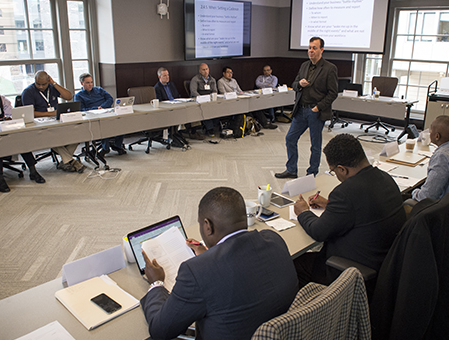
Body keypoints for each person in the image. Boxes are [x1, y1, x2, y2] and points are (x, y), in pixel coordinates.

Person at [140, 187, 299, 340]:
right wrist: (209, 253)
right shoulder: (273, 239)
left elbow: (161, 330)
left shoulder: (196, 271)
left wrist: (157, 283)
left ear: (207, 226)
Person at [292, 134, 405, 287]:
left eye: (333, 171)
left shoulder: (345, 193)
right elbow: (364, 207)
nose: (336, 175)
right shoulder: (385, 178)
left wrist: (303, 211)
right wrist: (328, 204)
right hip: (384, 264)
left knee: (292, 265)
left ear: (342, 169)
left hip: (351, 271)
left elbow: (318, 232)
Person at [276, 37, 338, 179]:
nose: (311, 50)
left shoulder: (329, 68)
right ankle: (291, 169)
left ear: (321, 50)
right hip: (301, 110)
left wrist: (318, 107)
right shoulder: (304, 65)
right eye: (309, 47)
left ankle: (312, 173)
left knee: (315, 145)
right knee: (290, 138)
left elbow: (333, 93)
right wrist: (300, 84)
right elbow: (295, 83)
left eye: (314, 48)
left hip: (315, 111)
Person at [21, 71, 86, 173]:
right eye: (38, 84)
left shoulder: (51, 88)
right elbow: (31, 114)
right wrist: (50, 114)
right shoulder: (28, 92)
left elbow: (68, 96)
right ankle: (71, 161)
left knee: (77, 134)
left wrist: (54, 83)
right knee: (54, 137)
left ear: (48, 81)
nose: (41, 87)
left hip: (56, 121)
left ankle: (65, 161)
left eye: (44, 84)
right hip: (40, 124)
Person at [74, 73, 126, 156]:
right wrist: (95, 109)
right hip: (93, 116)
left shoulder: (99, 90)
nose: (90, 84)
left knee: (121, 121)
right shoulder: (79, 96)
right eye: (87, 83)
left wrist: (102, 107)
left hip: (105, 111)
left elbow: (110, 99)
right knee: (103, 125)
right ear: (81, 83)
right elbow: (81, 110)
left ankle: (117, 145)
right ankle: (105, 148)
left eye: (91, 82)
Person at [154, 67, 196, 142]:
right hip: (167, 108)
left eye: (168, 75)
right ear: (159, 77)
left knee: (189, 110)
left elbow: (177, 96)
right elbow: (160, 101)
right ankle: (175, 134)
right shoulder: (157, 88)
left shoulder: (171, 84)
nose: (167, 77)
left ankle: (190, 132)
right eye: (165, 76)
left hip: (176, 104)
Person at [189, 63, 218, 136]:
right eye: (203, 70)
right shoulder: (195, 79)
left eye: (207, 69)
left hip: (210, 100)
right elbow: (193, 92)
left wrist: (212, 98)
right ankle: (209, 129)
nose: (206, 71)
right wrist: (202, 99)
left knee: (218, 107)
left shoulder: (212, 80)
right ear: (200, 71)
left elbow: (215, 91)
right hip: (199, 100)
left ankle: (213, 127)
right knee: (205, 109)